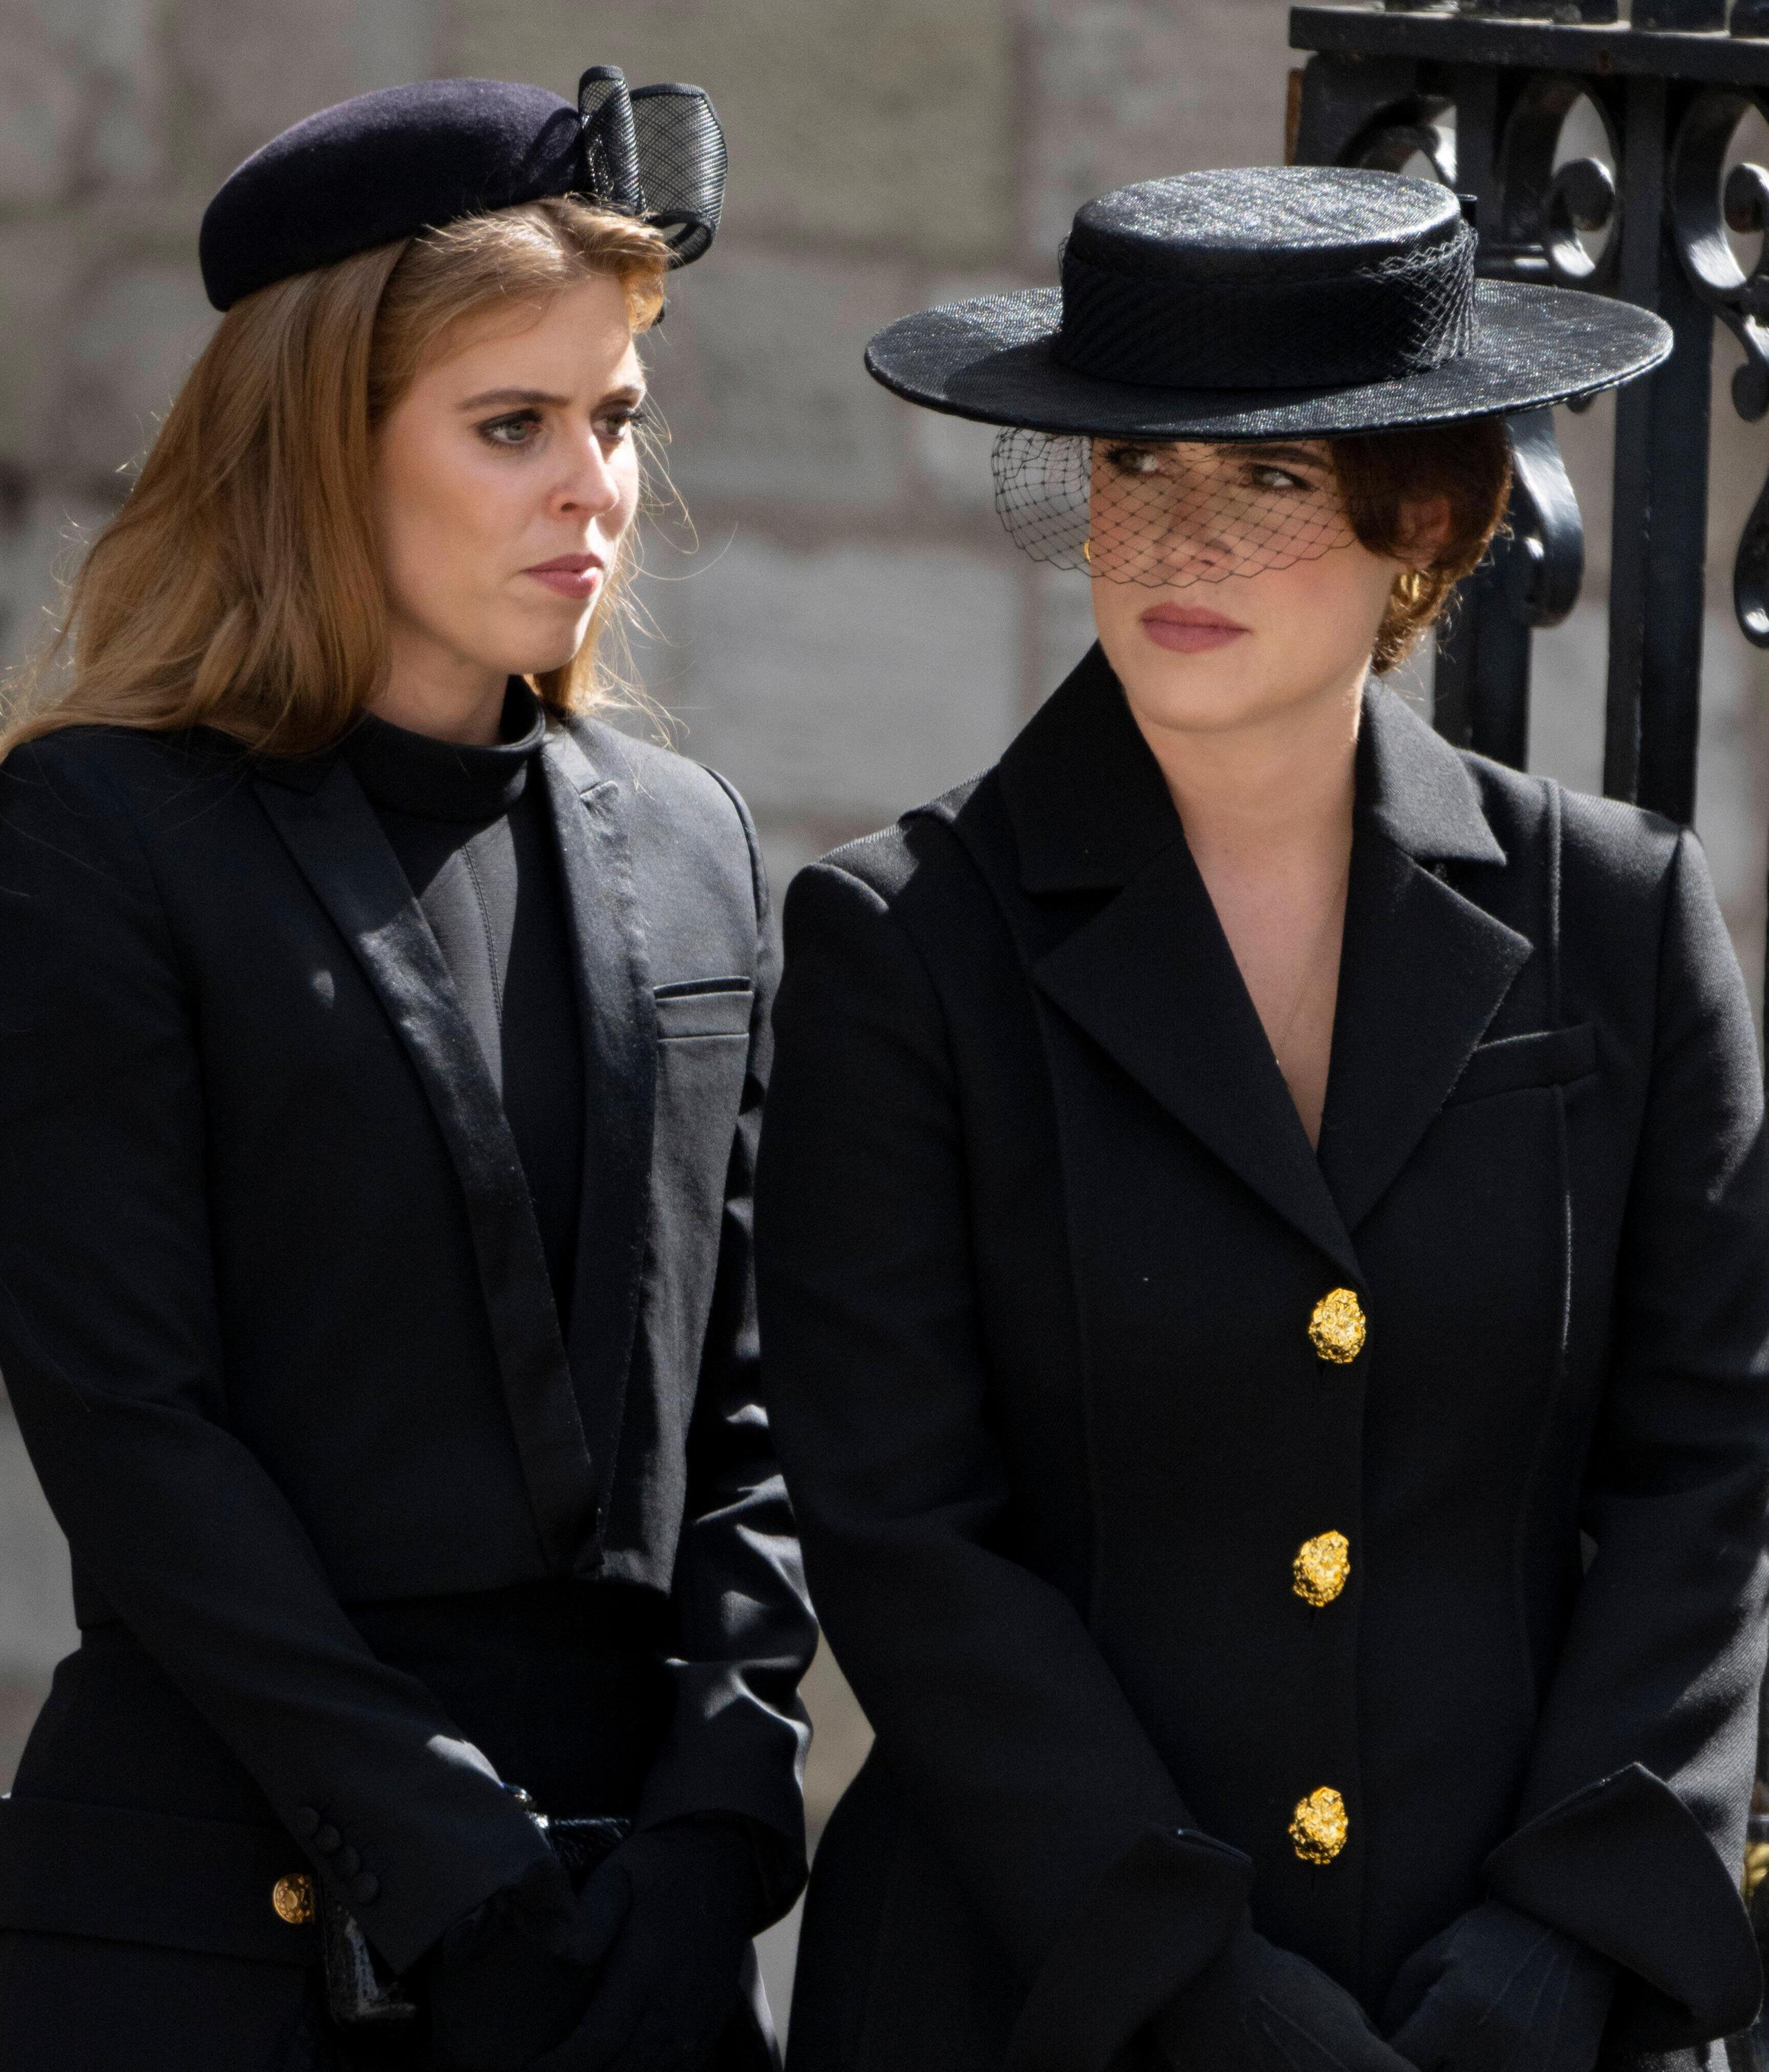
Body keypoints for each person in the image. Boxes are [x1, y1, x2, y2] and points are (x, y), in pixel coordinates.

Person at [756, 165, 1769, 2072]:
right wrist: (1190, 1986)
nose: (1176, 539)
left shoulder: (1619, 915)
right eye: (1134, 467)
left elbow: (1705, 1473)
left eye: (1270, 478)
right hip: (1037, 2002)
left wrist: (1569, 1938)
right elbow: (903, 1534)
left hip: (1521, 2017)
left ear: (1428, 518)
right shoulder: (904, 943)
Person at [0, 66, 814, 2072]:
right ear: (315, 444)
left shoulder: (694, 841)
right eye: (511, 424)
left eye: (616, 417)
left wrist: (720, 1829)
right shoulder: (98, 836)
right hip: (226, 1923)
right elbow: (131, 1427)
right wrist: (455, 1864)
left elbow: (754, 1410)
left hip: (634, 1943)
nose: (592, 486)